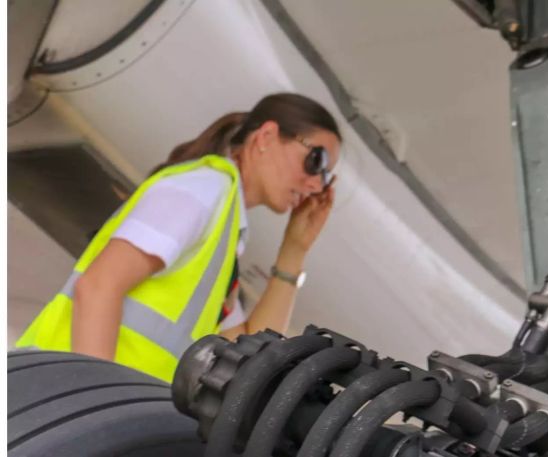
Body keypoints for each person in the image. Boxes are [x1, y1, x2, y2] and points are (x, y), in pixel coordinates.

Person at [16, 93, 341, 382]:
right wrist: (98, 406)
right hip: (58, 402)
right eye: (317, 161)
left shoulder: (223, 235)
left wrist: (294, 252)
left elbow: (251, 352)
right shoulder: (203, 189)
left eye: (326, 178)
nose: (317, 185)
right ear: (266, 136)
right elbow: (98, 286)